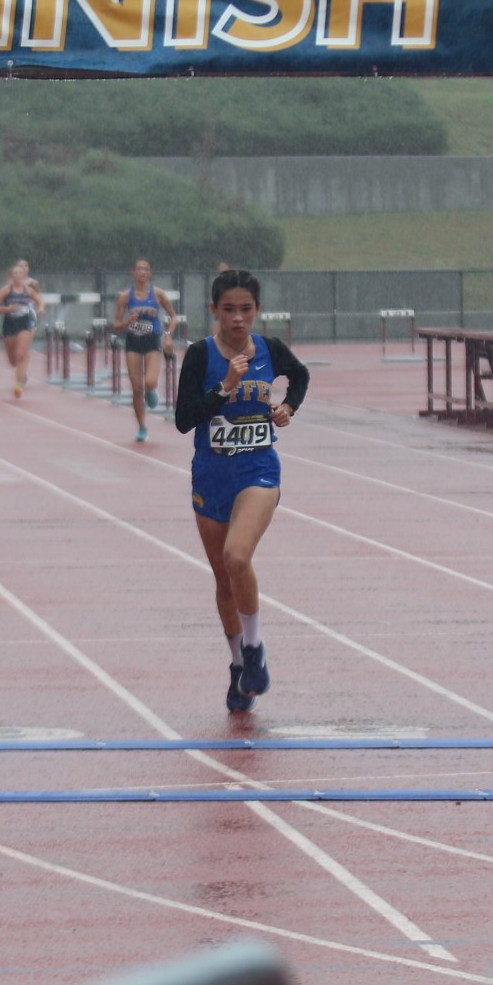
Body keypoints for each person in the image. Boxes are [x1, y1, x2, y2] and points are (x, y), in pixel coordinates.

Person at [175, 268, 308, 713]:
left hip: (258, 472)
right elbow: (183, 419)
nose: (237, 319)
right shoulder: (199, 355)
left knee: (238, 556)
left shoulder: (270, 350)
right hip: (211, 476)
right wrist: (224, 389)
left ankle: (254, 650)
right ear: (213, 310)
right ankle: (238, 667)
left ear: (257, 311)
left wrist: (288, 406)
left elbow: (300, 376)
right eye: (228, 310)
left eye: (246, 310)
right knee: (223, 580)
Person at [112, 258, 177, 443]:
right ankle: (141, 426)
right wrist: (126, 322)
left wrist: (168, 335)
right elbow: (116, 324)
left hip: (152, 340)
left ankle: (151, 390)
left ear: (150, 273)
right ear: (133, 272)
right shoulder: (125, 296)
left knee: (149, 381)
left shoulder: (158, 294)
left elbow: (173, 317)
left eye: (146, 269)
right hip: (133, 340)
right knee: (136, 387)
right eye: (139, 269)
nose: (142, 272)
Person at [0, 258, 44, 398]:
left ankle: (18, 384)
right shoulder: (6, 290)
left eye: (20, 273)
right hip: (10, 323)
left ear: (24, 275)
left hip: (25, 322)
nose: (18, 275)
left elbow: (39, 300)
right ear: (11, 276)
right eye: (15, 273)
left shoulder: (28, 289)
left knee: (21, 353)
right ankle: (19, 370)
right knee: (13, 360)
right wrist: (7, 309)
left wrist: (40, 308)